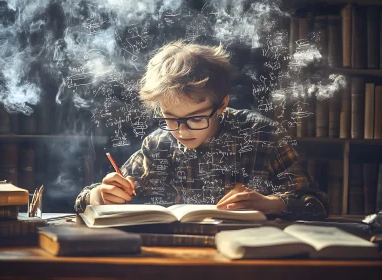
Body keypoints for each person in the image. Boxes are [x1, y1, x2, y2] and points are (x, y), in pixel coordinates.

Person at [74, 41, 329, 220]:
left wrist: (272, 203)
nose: (181, 131)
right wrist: (99, 196)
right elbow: (84, 199)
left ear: (222, 105)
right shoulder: (157, 145)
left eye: (195, 119)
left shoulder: (266, 135)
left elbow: (317, 203)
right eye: (170, 118)